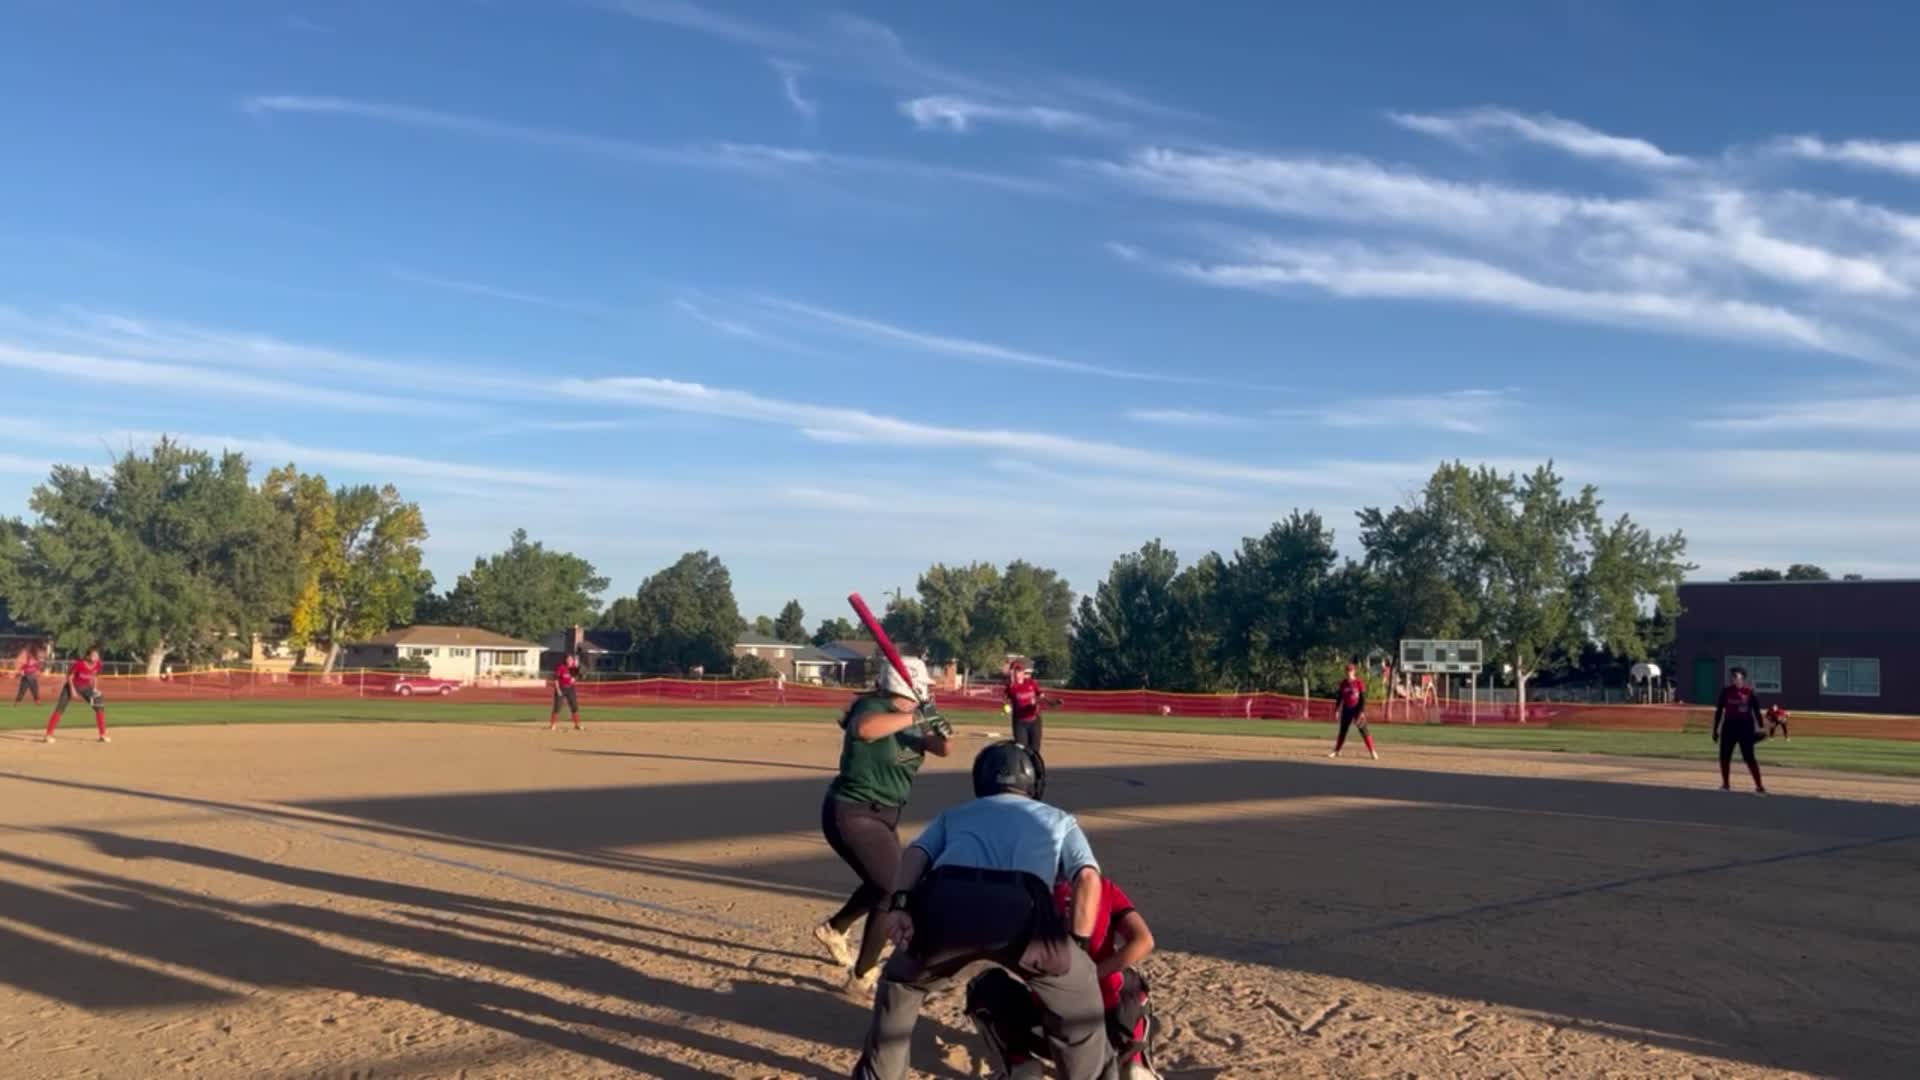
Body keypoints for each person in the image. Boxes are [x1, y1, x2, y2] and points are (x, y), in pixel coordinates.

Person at [850, 741, 1114, 1080]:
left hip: (947, 903)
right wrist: (1075, 946)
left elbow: (916, 854)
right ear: (1033, 782)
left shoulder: (955, 814)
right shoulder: (1059, 818)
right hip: (1023, 910)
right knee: (1080, 1013)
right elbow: (1088, 878)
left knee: (902, 985)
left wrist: (900, 905)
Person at [815, 657, 952, 996]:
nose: (927, 692)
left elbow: (944, 749)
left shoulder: (913, 717)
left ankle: (835, 929)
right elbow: (864, 729)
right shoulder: (872, 706)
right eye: (924, 687)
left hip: (885, 816)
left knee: (882, 883)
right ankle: (862, 976)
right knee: (892, 889)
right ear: (908, 686)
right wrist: (917, 715)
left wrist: (937, 725)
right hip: (852, 812)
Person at [966, 874, 1160, 1079]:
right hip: (1109, 1028)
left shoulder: (1028, 895)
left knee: (983, 986)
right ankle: (1135, 1062)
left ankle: (1020, 1064)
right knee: (1133, 983)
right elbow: (1144, 941)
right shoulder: (1105, 888)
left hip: (1049, 1032)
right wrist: (1093, 975)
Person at [1713, 666, 1767, 794]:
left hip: (1745, 728)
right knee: (1724, 756)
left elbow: (1756, 711)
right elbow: (1719, 710)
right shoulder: (1726, 691)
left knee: (1749, 757)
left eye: (1737, 676)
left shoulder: (1750, 692)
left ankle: (1759, 786)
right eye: (1732, 677)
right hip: (1729, 727)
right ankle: (1725, 784)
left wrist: (1760, 727)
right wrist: (1715, 729)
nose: (1734, 679)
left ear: (1743, 678)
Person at [44, 644, 108, 744]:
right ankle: (48, 735)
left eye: (97, 655)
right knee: (60, 708)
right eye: (93, 655)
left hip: (86, 687)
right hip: (72, 686)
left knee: (99, 704)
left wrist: (95, 689)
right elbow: (69, 677)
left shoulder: (98, 664)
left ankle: (103, 735)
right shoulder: (79, 664)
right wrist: (72, 690)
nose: (96, 657)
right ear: (87, 656)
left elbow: (95, 676)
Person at [1004, 661, 1062, 756]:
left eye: (1019, 671)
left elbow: (1041, 696)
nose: (1017, 674)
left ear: (1023, 673)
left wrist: (1051, 703)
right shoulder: (1012, 687)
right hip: (1020, 722)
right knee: (1021, 749)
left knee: (1035, 750)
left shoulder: (1031, 683)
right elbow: (1006, 696)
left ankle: (1035, 769)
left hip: (1034, 720)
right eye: (1015, 671)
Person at [1328, 659, 1377, 761]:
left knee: (1363, 730)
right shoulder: (1343, 683)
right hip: (1347, 709)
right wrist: (1337, 710)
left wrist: (1361, 712)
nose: (1348, 672)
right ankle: (1336, 750)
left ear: (1354, 671)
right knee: (1343, 731)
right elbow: (1340, 698)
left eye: (1350, 670)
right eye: (1347, 670)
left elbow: (1363, 698)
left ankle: (1372, 751)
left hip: (1357, 709)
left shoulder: (1359, 682)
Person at [549, 649, 583, 732]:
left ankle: (577, 725)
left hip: (570, 689)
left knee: (574, 706)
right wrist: (558, 690)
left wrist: (575, 678)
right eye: (568, 659)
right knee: (558, 707)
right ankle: (553, 725)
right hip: (561, 688)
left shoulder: (573, 668)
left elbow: (578, 675)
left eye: (571, 659)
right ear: (565, 660)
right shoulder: (561, 667)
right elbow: (556, 679)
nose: (569, 660)